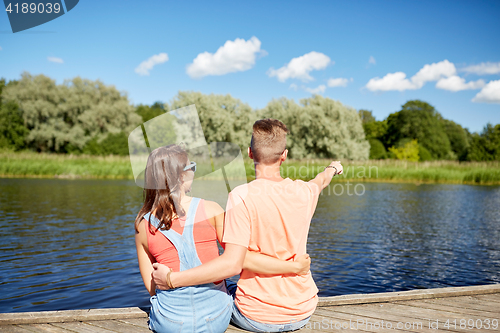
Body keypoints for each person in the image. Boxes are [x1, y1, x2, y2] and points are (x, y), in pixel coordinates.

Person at [153, 119, 344, 332]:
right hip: (302, 310)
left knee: (219, 291)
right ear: (284, 155)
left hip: (256, 316)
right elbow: (322, 180)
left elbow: (237, 260)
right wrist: (333, 167)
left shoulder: (240, 196)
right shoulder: (304, 191)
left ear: (250, 153)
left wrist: (172, 279)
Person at [135, 144, 311, 333]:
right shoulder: (212, 210)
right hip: (215, 319)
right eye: (191, 167)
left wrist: (172, 280)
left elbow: (152, 287)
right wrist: (294, 267)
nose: (194, 172)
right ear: (181, 175)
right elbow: (239, 260)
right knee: (234, 286)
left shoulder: (142, 225)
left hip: (169, 323)